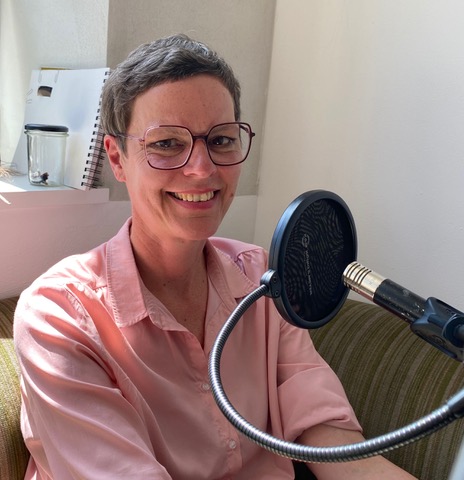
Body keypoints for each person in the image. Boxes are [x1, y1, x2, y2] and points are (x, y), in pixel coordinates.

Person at [14, 34, 416, 479]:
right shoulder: (58, 316)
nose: (203, 169)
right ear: (118, 158)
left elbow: (327, 436)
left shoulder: (264, 277)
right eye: (167, 144)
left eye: (221, 139)